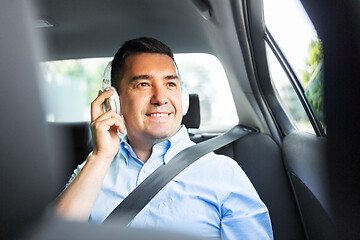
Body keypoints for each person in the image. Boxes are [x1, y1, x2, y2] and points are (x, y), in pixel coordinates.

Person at [55, 37, 273, 239]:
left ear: (182, 97)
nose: (160, 98)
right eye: (143, 84)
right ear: (115, 102)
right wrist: (100, 157)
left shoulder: (224, 173)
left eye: (170, 84)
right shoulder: (93, 169)